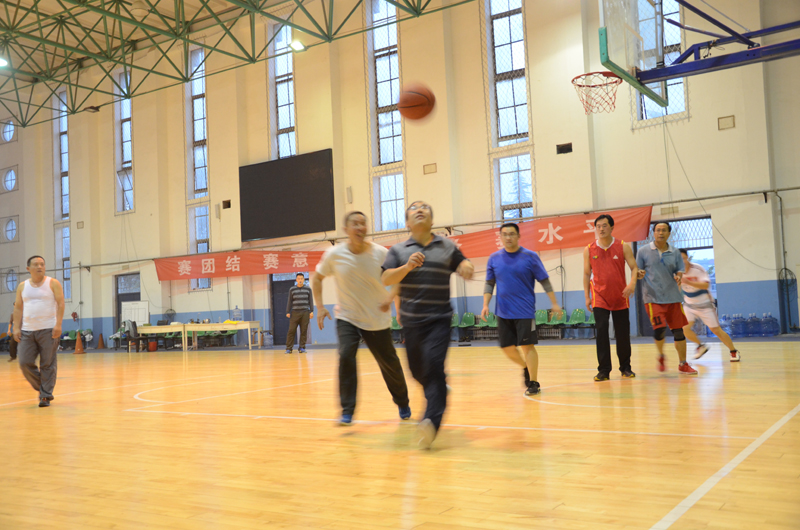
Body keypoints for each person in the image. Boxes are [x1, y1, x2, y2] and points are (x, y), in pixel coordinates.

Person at [382, 201, 474, 449]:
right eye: (414, 208)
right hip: (411, 323)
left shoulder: (446, 246)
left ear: (432, 221)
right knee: (417, 372)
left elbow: (463, 264)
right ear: (407, 223)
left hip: (439, 319)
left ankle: (430, 422)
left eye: (425, 208)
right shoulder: (398, 250)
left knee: (433, 365)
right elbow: (386, 278)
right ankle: (439, 388)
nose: (420, 209)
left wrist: (466, 267)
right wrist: (407, 267)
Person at [312, 211, 412, 425]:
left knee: (389, 364)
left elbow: (398, 279)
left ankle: (402, 401)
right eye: (355, 224)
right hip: (347, 316)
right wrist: (319, 307)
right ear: (346, 230)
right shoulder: (334, 254)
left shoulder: (381, 253)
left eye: (363, 223)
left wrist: (392, 301)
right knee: (346, 356)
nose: (360, 227)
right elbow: (317, 278)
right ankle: (347, 411)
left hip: (376, 318)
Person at [481, 223, 562, 396]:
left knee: (527, 346)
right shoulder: (494, 258)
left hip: (524, 311)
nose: (508, 237)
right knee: (507, 347)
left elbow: (545, 281)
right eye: (504, 234)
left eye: (511, 234)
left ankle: (533, 382)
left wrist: (554, 303)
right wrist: (485, 304)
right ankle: (525, 367)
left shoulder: (530, 256)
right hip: (503, 311)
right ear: (500, 237)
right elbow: (489, 284)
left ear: (518, 236)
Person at [636, 223, 697, 375]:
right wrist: (639, 274)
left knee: (679, 332)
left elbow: (679, 271)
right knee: (659, 330)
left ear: (669, 233)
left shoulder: (675, 252)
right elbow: (637, 271)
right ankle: (661, 355)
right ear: (653, 233)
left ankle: (683, 364)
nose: (661, 233)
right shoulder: (643, 251)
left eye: (664, 230)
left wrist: (678, 276)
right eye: (658, 230)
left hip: (673, 297)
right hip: (653, 298)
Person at [583, 214, 639, 381]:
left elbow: (634, 268)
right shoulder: (589, 249)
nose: (601, 229)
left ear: (612, 227)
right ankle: (604, 370)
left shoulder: (622, 246)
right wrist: (587, 296)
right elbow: (586, 274)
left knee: (622, 334)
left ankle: (625, 368)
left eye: (604, 225)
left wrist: (632, 284)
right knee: (601, 332)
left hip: (620, 296)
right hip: (599, 296)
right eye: (598, 226)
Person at [12, 256, 66, 407]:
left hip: (49, 329)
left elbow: (61, 304)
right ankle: (44, 386)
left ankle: (45, 396)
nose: (39, 267)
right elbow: (18, 307)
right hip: (27, 331)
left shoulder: (53, 283)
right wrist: (16, 328)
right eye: (36, 264)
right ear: (28, 268)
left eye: (42, 264)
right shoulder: (22, 286)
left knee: (47, 364)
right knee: (24, 362)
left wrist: (58, 325)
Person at [678, 249, 741, 362]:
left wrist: (687, 282)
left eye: (683, 258)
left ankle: (733, 351)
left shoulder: (697, 269)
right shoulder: (676, 272)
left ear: (687, 258)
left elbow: (705, 285)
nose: (681, 261)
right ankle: (700, 346)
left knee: (716, 330)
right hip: (689, 305)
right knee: (684, 329)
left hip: (705, 304)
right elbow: (677, 289)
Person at [285, 272, 313, 354]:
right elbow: (289, 301)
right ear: (296, 280)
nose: (300, 280)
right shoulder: (292, 289)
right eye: (298, 279)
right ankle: (289, 348)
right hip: (295, 312)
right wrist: (288, 311)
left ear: (304, 280)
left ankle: (302, 348)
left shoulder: (308, 289)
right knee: (291, 331)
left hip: (305, 312)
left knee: (304, 331)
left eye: (301, 279)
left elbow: (310, 301)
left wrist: (311, 311)